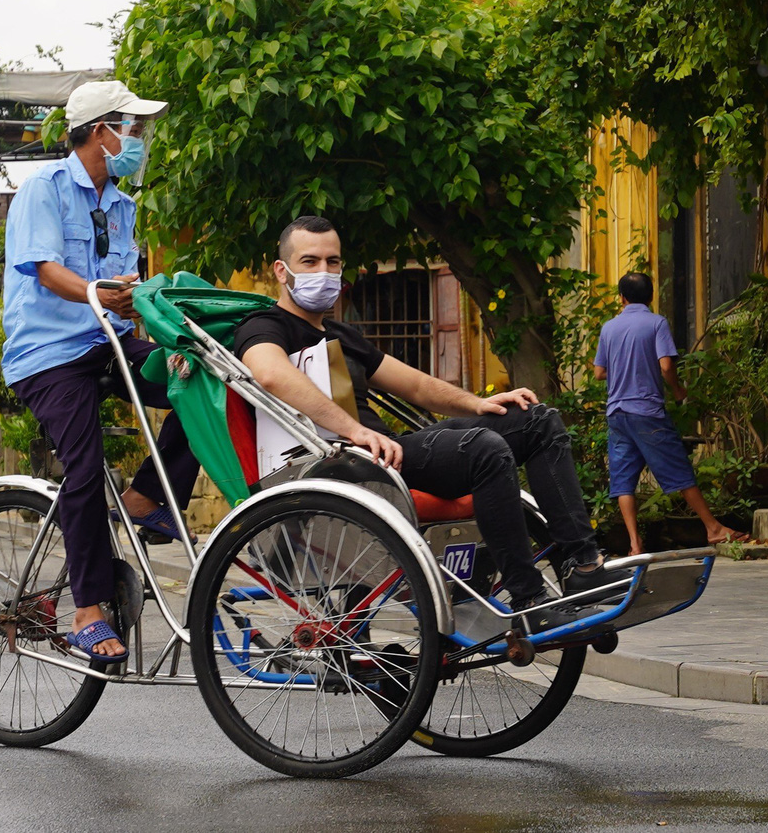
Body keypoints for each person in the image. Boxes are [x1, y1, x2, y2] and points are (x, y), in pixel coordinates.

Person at [203, 216, 608, 633]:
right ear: (281, 270)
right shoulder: (265, 326)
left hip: (386, 454)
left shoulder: (340, 334)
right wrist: (354, 430)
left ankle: (582, 565)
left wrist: (478, 402)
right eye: (310, 261)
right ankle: (529, 598)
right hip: (338, 465)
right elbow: (270, 373)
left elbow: (414, 383)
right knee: (484, 449)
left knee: (537, 421)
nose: (323, 273)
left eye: (332, 262)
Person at [1, 79, 183, 665]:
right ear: (100, 131)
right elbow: (47, 270)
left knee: (198, 379)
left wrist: (135, 310)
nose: (139, 138)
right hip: (48, 354)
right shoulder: (43, 189)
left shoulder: (124, 206)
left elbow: (120, 290)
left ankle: (145, 496)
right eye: (132, 126)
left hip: (107, 342)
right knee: (82, 466)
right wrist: (101, 295)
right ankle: (87, 610)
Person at [596, 271, 736, 555]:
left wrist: (623, 367)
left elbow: (599, 372)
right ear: (650, 297)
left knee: (623, 480)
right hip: (646, 411)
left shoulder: (609, 328)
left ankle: (635, 544)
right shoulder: (656, 323)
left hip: (617, 413)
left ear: (621, 298)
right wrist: (678, 390)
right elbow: (667, 366)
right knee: (679, 470)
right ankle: (713, 528)